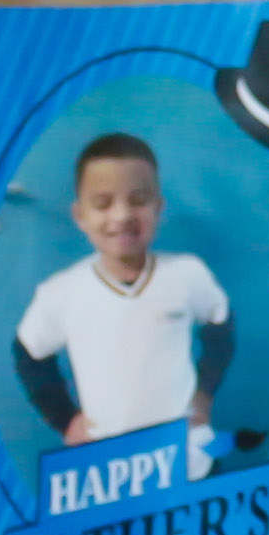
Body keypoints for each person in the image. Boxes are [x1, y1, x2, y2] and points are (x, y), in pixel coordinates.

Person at [13, 128, 234, 464]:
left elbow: (221, 326)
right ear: (80, 216)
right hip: (109, 465)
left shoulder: (188, 274)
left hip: (188, 456)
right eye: (103, 204)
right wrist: (66, 420)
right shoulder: (62, 293)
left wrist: (204, 394)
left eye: (138, 200)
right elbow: (28, 353)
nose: (122, 216)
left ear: (158, 207)